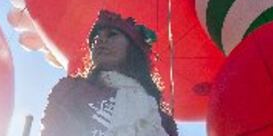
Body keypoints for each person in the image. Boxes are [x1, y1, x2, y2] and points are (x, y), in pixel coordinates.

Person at [40, 10, 178, 136]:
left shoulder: (160, 119)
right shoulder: (71, 90)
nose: (100, 41)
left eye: (112, 34)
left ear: (133, 48)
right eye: (95, 38)